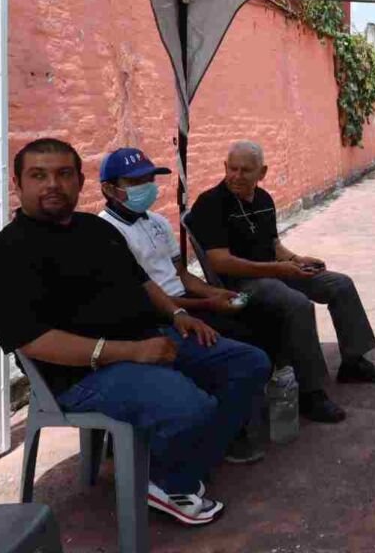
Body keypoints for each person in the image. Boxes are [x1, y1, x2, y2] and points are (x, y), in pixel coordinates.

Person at [0, 138, 271, 527]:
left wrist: (178, 314)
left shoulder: (95, 229)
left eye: (63, 174)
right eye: (38, 175)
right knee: (191, 405)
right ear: (17, 184)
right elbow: (35, 341)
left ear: (80, 181)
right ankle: (168, 481)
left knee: (249, 363)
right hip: (82, 373)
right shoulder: (6, 256)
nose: (52, 185)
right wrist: (131, 352)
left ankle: (183, 461)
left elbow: (143, 282)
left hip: (149, 338)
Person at [96, 146, 346, 430]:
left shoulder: (157, 222)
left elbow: (182, 275)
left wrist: (213, 293)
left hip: (188, 299)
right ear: (110, 189)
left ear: (261, 173)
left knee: (266, 320)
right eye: (135, 182)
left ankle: (270, 399)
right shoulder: (106, 232)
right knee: (250, 338)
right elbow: (146, 296)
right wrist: (208, 302)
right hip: (159, 314)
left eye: (149, 180)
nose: (146, 188)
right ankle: (231, 429)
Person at [187, 140, 375, 406]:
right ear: (225, 167)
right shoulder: (211, 203)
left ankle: (354, 362)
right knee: (298, 304)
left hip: (275, 272)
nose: (236, 176)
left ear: (261, 173)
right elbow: (220, 263)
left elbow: (273, 245)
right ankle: (312, 391)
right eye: (232, 169)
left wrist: (297, 260)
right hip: (240, 284)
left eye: (245, 171)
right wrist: (278, 269)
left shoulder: (263, 199)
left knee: (340, 284)